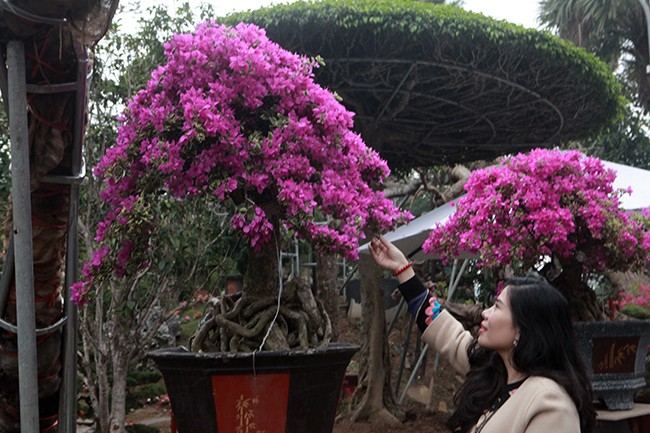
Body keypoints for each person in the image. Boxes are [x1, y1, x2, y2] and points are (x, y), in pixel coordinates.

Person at [369, 236, 596, 433]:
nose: (485, 313)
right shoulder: (495, 371)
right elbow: (445, 331)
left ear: (522, 328)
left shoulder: (550, 403)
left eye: (497, 306)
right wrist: (402, 269)